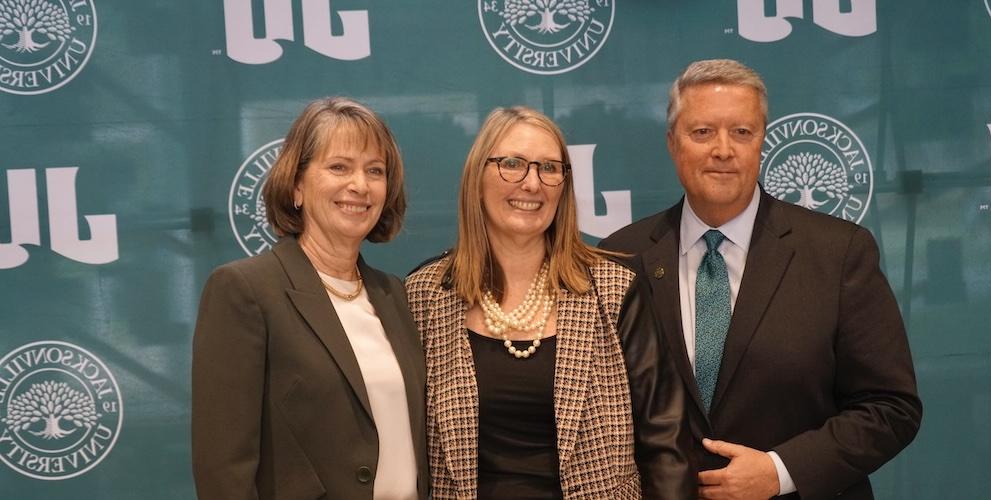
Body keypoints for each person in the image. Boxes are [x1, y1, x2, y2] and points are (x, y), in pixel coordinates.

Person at [600, 59, 922, 500]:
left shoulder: (839, 252)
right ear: (672, 144)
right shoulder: (619, 258)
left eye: (742, 132)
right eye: (702, 132)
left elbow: (891, 408)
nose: (723, 149)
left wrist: (781, 471)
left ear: (761, 142)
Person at [405, 106, 695, 499]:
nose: (532, 183)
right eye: (512, 164)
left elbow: (665, 438)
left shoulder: (614, 289)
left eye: (549, 168)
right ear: (477, 178)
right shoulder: (424, 295)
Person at [192, 97, 428, 500]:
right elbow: (223, 469)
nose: (360, 184)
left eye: (375, 171)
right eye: (339, 167)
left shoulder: (397, 295)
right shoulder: (244, 291)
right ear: (297, 185)